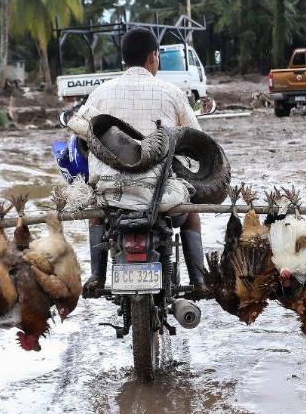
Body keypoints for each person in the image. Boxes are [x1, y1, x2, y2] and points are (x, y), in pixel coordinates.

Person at [67, 28, 208, 296]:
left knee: (95, 216)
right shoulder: (171, 92)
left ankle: (97, 275)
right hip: (160, 195)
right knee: (190, 213)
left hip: (111, 194)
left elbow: (80, 134)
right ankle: (199, 281)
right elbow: (197, 140)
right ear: (153, 56)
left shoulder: (99, 94)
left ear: (124, 59)